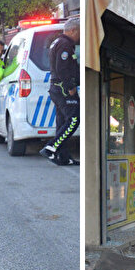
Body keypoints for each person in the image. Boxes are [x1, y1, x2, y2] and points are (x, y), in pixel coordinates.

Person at [41, 17, 80, 166]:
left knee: (62, 122)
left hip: (56, 89)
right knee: (74, 119)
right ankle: (51, 147)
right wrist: (70, 86)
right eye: (79, 32)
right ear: (72, 30)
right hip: (63, 90)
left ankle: (63, 157)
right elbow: (62, 68)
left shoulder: (57, 42)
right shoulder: (65, 44)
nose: (79, 36)